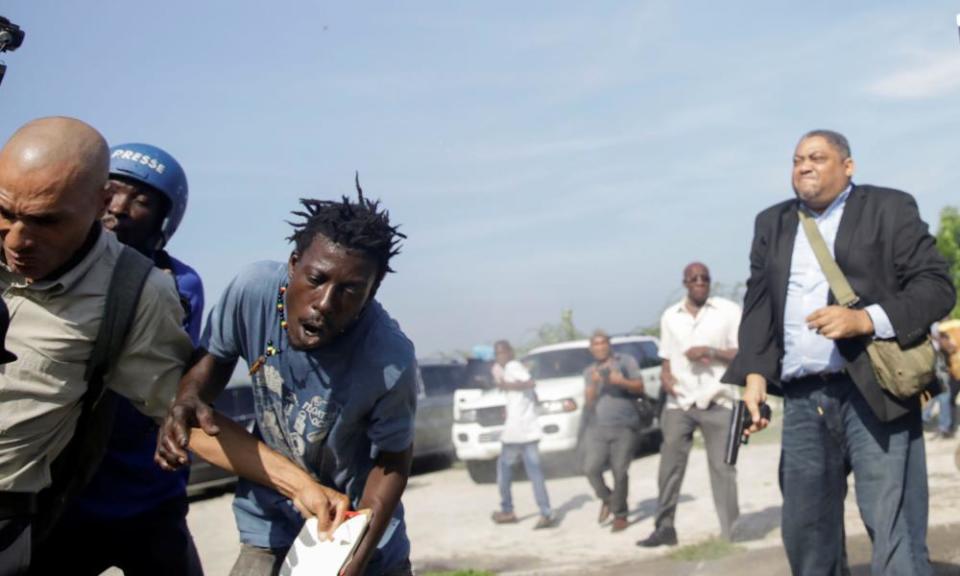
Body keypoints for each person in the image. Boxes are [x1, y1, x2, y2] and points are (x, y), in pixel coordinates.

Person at [155, 183, 418, 576]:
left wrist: (357, 554)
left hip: (349, 533)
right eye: (316, 279)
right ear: (294, 264)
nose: (325, 303)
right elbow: (212, 363)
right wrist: (188, 398)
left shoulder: (389, 358)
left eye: (349, 290)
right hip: (269, 523)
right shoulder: (252, 291)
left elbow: (394, 459)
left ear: (373, 290)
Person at [724, 129, 955, 575]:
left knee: (893, 527)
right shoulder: (771, 224)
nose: (804, 166)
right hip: (803, 400)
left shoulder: (889, 209)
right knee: (806, 531)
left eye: (817, 157)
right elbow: (759, 308)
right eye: (797, 159)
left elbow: (936, 287)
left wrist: (866, 319)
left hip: (875, 394)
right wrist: (754, 379)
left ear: (848, 166)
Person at [0, 117, 195, 574]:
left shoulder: (150, 290)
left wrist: (296, 484)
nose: (17, 238)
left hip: (125, 496)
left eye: (141, 199)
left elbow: (182, 407)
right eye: (6, 213)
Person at [637, 262, 741, 548]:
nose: (699, 282)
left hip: (718, 399)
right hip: (680, 403)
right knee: (669, 468)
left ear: (710, 282)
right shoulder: (671, 317)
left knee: (723, 469)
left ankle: (730, 533)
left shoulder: (728, 311)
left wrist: (710, 351)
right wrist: (668, 380)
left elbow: (742, 354)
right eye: (693, 279)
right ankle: (664, 528)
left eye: (704, 278)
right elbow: (666, 362)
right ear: (684, 283)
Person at [581, 330, 645, 533]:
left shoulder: (625, 361)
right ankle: (607, 499)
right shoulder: (589, 371)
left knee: (619, 470)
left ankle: (620, 514)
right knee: (591, 468)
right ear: (591, 349)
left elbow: (640, 387)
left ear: (609, 345)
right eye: (595, 344)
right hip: (598, 426)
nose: (600, 347)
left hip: (625, 424)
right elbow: (589, 402)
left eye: (603, 343)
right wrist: (593, 384)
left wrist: (620, 382)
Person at [489, 340, 556, 530]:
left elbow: (529, 382)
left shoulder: (512, 366)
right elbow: (530, 391)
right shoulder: (508, 368)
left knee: (504, 474)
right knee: (534, 474)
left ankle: (508, 510)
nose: (499, 356)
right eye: (497, 353)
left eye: (502, 352)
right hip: (525, 431)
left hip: (517, 433)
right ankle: (545, 512)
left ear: (510, 352)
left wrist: (507, 385)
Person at [922, 324, 957, 440]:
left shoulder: (942, 329)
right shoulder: (936, 326)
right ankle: (940, 424)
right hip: (933, 363)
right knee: (938, 395)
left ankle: (944, 426)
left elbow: (950, 346)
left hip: (940, 366)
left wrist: (939, 339)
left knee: (943, 396)